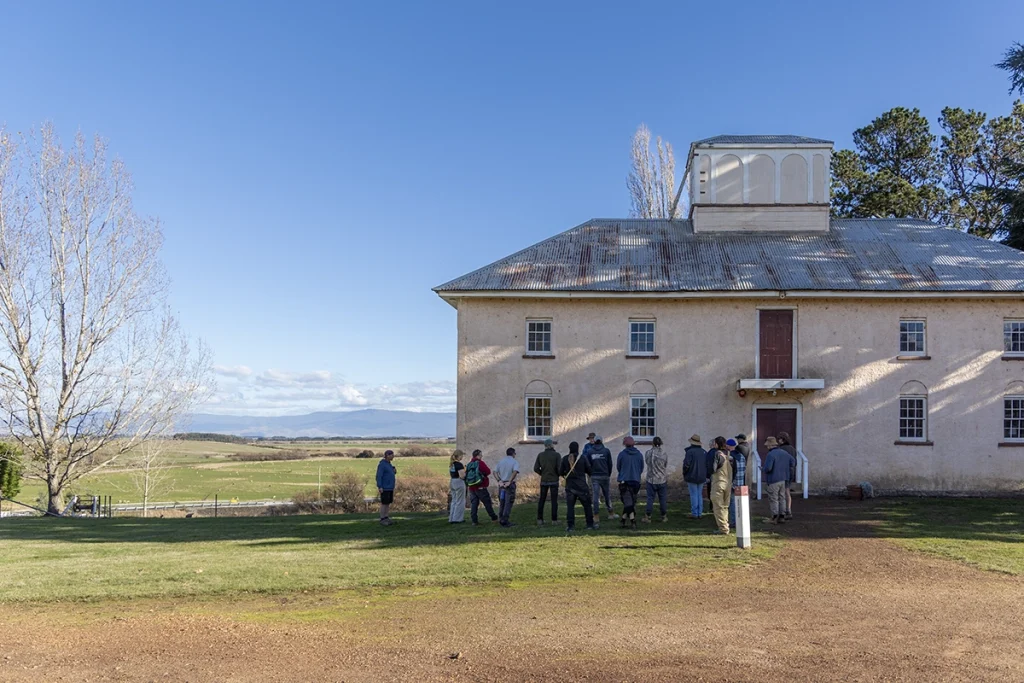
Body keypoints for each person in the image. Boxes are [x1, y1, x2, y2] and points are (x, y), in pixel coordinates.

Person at [560, 441, 595, 532]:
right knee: (587, 506)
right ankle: (590, 525)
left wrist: (566, 475)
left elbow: (560, 472)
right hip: (582, 486)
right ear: (578, 448)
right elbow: (589, 471)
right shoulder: (582, 458)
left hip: (570, 486)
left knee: (570, 507)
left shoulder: (564, 459)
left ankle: (570, 526)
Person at [762, 437, 795, 524]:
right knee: (782, 498)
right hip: (783, 479)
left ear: (770, 445)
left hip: (773, 479)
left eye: (767, 446)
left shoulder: (771, 455)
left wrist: (763, 469)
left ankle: (774, 517)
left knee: (773, 499)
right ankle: (782, 516)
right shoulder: (784, 453)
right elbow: (793, 462)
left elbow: (768, 468)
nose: (767, 447)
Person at [616, 436, 644, 529]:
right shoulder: (639, 454)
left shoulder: (622, 454)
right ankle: (623, 520)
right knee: (631, 501)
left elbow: (618, 467)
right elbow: (641, 468)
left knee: (628, 503)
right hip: (636, 480)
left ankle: (633, 521)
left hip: (625, 480)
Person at [586, 436, 616, 520]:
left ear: (594, 442)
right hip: (605, 475)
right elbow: (610, 464)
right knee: (607, 494)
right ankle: (611, 513)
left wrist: (590, 474)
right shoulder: (606, 451)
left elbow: (588, 465)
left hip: (594, 476)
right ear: (602, 441)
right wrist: (608, 474)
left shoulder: (590, 451)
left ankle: (596, 515)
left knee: (595, 496)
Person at [466, 449, 499, 525]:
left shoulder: (469, 464)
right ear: (477, 456)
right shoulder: (480, 463)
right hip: (481, 487)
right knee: (487, 503)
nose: (482, 456)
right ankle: (494, 518)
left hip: (472, 487)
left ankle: (474, 521)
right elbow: (488, 471)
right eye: (481, 455)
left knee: (474, 504)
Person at [708, 436, 733, 535]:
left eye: (715, 443)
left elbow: (713, 469)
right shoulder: (729, 455)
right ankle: (725, 525)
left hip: (718, 482)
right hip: (728, 483)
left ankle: (723, 528)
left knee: (718, 506)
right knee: (725, 506)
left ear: (717, 444)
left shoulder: (718, 454)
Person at [533, 438, 561, 526]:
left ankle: (540, 519)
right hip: (554, 480)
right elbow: (559, 469)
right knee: (554, 501)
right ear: (552, 445)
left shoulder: (540, 455)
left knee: (542, 500)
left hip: (544, 480)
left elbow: (536, 468)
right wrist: (557, 474)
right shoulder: (557, 455)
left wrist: (542, 473)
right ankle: (554, 520)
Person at [643, 436, 669, 523]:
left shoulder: (648, 453)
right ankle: (664, 516)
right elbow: (665, 464)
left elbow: (647, 462)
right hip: (662, 479)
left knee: (650, 498)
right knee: (662, 499)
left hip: (651, 479)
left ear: (653, 443)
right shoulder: (664, 453)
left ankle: (648, 516)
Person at [682, 434, 708, 519]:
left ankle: (694, 513)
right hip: (701, 476)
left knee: (693, 494)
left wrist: (685, 473)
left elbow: (686, 464)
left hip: (692, 475)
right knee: (699, 494)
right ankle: (699, 513)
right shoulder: (704, 452)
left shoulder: (690, 452)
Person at [495, 447, 520, 527]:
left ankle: (500, 517)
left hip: (502, 485)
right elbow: (515, 471)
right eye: (515, 453)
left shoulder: (501, 461)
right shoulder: (514, 462)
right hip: (509, 485)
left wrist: (499, 480)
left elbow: (495, 472)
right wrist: (510, 481)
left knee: (502, 502)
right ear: (513, 454)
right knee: (508, 503)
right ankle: (505, 520)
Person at [726, 438, 746, 530]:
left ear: (729, 446)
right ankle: (741, 520)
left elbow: (731, 471)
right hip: (741, 482)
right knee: (741, 503)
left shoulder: (730, 457)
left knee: (733, 503)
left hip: (734, 483)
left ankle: (733, 521)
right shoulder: (741, 456)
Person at [777, 432, 798, 520]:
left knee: (782, 492)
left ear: (783, 440)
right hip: (791, 472)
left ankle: (782, 511)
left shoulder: (780, 449)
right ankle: (788, 509)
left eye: (779, 439)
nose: (778, 441)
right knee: (787, 491)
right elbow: (794, 461)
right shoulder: (793, 449)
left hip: (783, 472)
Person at [376, 449, 397, 526]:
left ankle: (386, 517)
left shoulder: (389, 464)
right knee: (384, 503)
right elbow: (379, 476)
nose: (393, 456)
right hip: (384, 487)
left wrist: (394, 471)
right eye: (391, 455)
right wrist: (380, 486)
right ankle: (382, 518)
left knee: (388, 503)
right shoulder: (382, 464)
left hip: (390, 487)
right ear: (387, 455)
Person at [448, 450, 467, 523]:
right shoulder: (459, 464)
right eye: (462, 455)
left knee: (454, 501)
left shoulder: (452, 464)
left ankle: (451, 518)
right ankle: (458, 519)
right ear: (459, 456)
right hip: (459, 482)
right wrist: (466, 472)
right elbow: (462, 476)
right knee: (460, 501)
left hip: (452, 481)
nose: (462, 457)